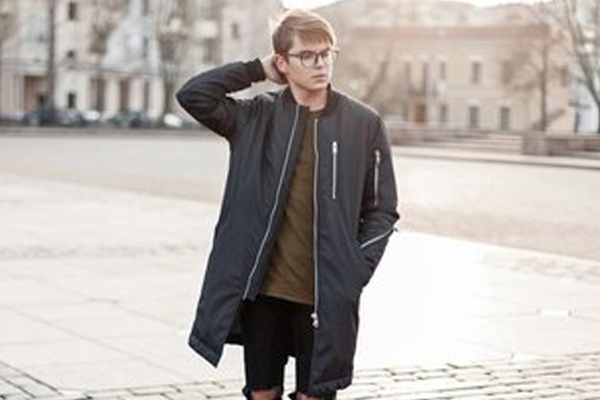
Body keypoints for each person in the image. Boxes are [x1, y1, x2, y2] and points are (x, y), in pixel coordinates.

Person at [175, 8, 400, 400]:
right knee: (263, 394)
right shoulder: (254, 118)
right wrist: (256, 69)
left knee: (315, 395)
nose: (321, 64)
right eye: (307, 55)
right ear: (282, 62)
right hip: (265, 295)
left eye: (327, 53)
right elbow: (193, 95)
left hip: (324, 294)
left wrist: (354, 269)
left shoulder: (363, 123)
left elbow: (382, 209)